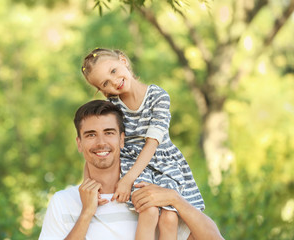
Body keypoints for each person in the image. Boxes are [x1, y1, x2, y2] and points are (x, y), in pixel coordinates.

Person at [39, 100, 224, 240]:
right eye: (91, 135)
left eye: (109, 133)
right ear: (79, 143)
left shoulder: (151, 196)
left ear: (122, 140)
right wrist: (87, 213)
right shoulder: (62, 202)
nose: (101, 142)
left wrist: (175, 199)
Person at [81, 48, 204, 240]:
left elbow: (152, 143)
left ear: (123, 61)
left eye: (113, 71)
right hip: (132, 161)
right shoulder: (113, 106)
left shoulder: (158, 96)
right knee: (149, 212)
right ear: (103, 91)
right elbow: (98, 146)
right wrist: (88, 182)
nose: (114, 81)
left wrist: (127, 180)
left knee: (169, 218)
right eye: (106, 83)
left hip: (162, 160)